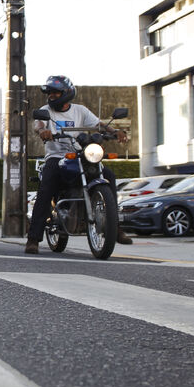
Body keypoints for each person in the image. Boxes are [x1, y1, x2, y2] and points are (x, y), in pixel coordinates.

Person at [24, 75, 132, 254]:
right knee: (46, 189)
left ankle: (115, 228)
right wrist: (43, 131)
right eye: (49, 93)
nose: (51, 95)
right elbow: (40, 125)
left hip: (82, 155)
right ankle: (33, 238)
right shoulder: (45, 110)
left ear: (66, 93)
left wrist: (115, 131)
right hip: (57, 157)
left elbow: (98, 124)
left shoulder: (80, 110)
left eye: (55, 92)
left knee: (109, 176)